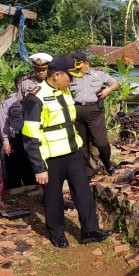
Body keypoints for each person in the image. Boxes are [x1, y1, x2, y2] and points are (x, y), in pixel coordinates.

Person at [22, 54, 112, 248]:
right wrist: (39, 167)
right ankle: (57, 233)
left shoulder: (65, 91)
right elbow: (30, 136)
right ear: (57, 75)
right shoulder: (34, 98)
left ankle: (90, 230)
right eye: (70, 76)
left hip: (72, 152)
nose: (73, 80)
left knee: (83, 192)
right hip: (51, 157)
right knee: (53, 198)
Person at [70, 52, 119, 179]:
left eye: (80, 64)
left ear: (86, 63)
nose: (78, 67)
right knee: (82, 144)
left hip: (94, 110)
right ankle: (89, 171)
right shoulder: (70, 76)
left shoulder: (98, 74)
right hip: (76, 109)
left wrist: (107, 90)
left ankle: (108, 164)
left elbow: (115, 83)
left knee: (101, 142)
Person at [0, 74, 35, 188]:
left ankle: (34, 187)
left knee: (32, 165)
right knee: (16, 166)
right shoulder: (9, 101)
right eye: (23, 84)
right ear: (18, 85)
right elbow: (3, 122)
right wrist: (5, 142)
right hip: (17, 137)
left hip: (34, 137)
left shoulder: (35, 97)